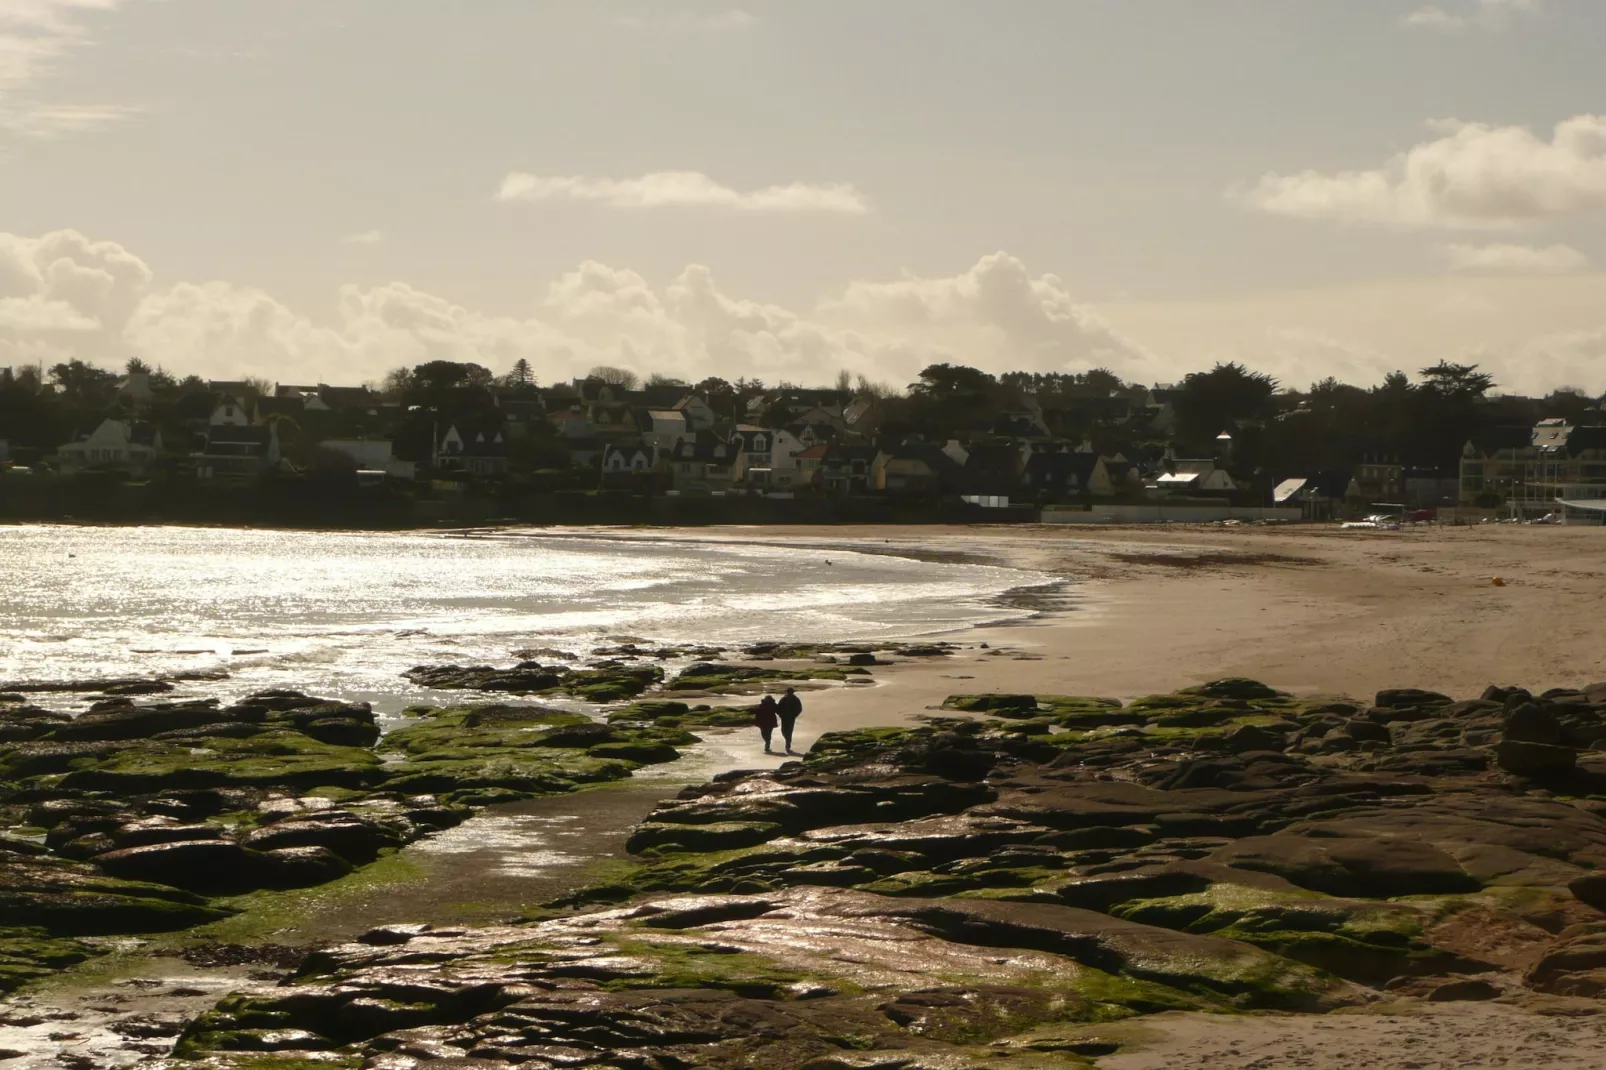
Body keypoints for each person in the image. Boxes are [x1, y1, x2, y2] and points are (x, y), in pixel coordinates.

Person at [776, 687, 803, 754]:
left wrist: (794, 715)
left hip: (791, 718)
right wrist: (780, 715)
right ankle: (787, 740)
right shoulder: (783, 699)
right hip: (784, 718)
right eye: (788, 692)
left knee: (789, 731)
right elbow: (778, 708)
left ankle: (788, 744)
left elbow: (799, 708)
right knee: (783, 731)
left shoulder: (796, 699)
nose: (789, 693)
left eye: (791, 692)